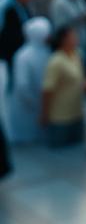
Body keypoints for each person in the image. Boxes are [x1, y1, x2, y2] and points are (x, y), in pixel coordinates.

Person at [40, 24, 86, 147]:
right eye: (73, 37)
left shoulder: (76, 54)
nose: (76, 39)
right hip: (60, 117)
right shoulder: (56, 61)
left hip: (76, 114)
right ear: (64, 40)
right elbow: (47, 90)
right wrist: (44, 114)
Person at [8, 16, 52, 144]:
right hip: (27, 105)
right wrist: (36, 103)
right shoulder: (23, 56)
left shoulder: (45, 51)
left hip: (38, 103)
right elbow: (22, 86)